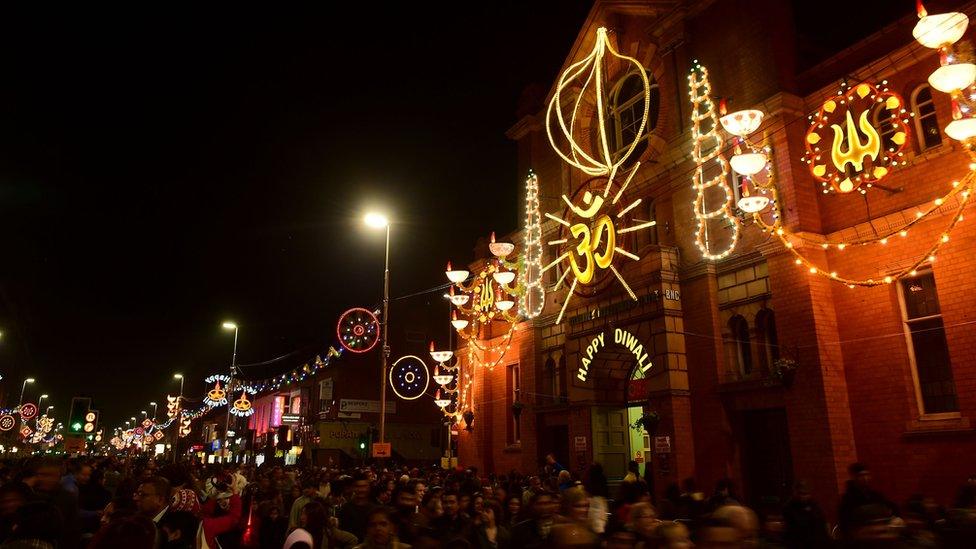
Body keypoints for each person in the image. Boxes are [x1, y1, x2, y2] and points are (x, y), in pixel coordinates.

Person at [837, 462, 897, 539]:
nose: (865, 478)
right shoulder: (848, 498)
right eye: (861, 475)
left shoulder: (876, 495)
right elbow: (845, 522)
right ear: (854, 477)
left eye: (867, 474)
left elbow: (890, 507)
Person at [782, 481, 829, 549]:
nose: (802, 496)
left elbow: (821, 522)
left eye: (805, 494)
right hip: (799, 542)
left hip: (814, 542)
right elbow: (795, 524)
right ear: (795, 492)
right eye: (800, 493)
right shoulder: (790, 507)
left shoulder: (813, 505)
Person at [338, 472, 373, 541]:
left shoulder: (374, 509)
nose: (361, 490)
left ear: (368, 487)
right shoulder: (345, 509)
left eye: (364, 486)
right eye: (358, 486)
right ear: (353, 488)